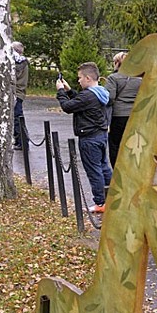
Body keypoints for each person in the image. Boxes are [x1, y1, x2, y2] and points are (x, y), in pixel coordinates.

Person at [56, 62, 112, 214]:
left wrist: (60, 91)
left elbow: (68, 107)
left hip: (89, 138)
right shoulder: (100, 92)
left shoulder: (88, 95)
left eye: (80, 78)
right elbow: (80, 102)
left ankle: (100, 202)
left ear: (88, 78)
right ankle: (113, 197)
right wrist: (69, 90)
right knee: (104, 167)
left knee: (94, 171)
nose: (78, 80)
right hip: (100, 135)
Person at [105, 51, 142, 167]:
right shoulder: (140, 78)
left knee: (115, 144)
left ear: (116, 63)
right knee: (133, 144)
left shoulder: (113, 78)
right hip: (135, 116)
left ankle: (117, 170)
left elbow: (110, 98)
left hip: (118, 116)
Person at [12, 42, 30, 150]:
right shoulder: (23, 62)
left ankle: (22, 142)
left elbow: (14, 78)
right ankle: (21, 141)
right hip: (19, 92)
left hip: (16, 93)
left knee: (17, 118)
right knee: (17, 118)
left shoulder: (17, 63)